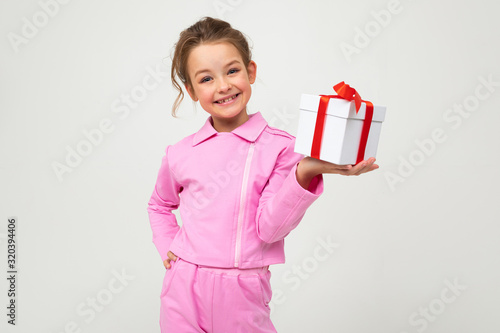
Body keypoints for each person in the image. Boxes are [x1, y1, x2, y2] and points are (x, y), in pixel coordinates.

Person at [147, 16, 378, 333]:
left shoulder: (281, 149)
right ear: (190, 89)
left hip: (243, 292)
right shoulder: (181, 152)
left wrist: (306, 170)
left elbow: (270, 230)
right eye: (206, 79)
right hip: (183, 288)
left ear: (250, 71)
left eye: (232, 71)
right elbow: (159, 204)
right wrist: (169, 246)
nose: (224, 85)